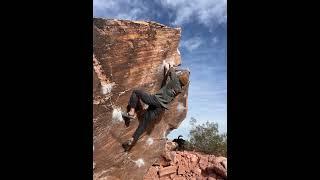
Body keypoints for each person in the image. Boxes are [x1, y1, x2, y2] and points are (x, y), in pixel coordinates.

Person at [122, 64, 189, 151]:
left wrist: (172, 66)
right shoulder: (179, 90)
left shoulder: (175, 80)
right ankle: (132, 139)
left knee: (136, 92)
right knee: (143, 124)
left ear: (179, 79)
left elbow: (171, 70)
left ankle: (131, 113)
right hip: (160, 108)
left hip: (155, 100)